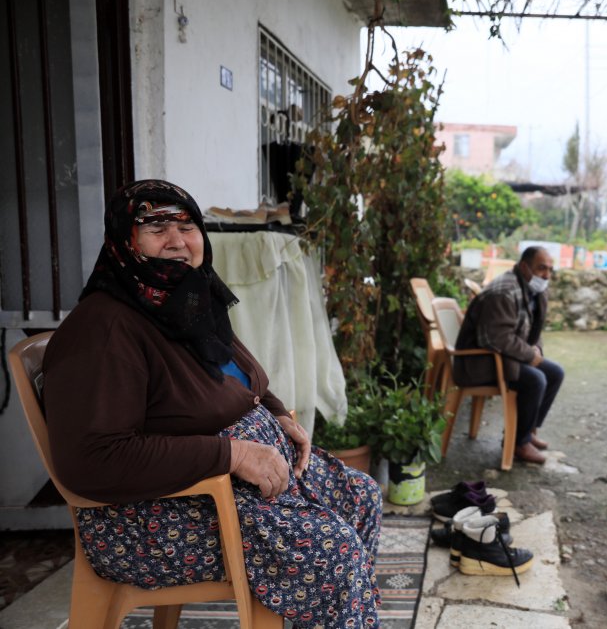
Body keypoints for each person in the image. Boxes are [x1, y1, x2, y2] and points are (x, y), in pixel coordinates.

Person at [42, 180, 382, 628]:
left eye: (187, 226)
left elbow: (235, 376)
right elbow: (93, 459)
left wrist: (275, 413)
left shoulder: (179, 303)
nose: (178, 241)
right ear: (125, 239)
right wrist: (234, 453)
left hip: (225, 492)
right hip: (148, 520)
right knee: (331, 551)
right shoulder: (105, 329)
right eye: (155, 226)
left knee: (361, 497)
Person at [453, 246, 564, 465]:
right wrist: (529, 356)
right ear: (524, 267)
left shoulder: (532, 289)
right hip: (481, 361)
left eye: (550, 270)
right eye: (541, 269)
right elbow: (495, 338)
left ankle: (528, 430)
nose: (547, 276)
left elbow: (532, 330)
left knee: (555, 373)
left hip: (504, 356)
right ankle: (518, 443)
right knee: (536, 379)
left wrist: (537, 350)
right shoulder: (503, 292)